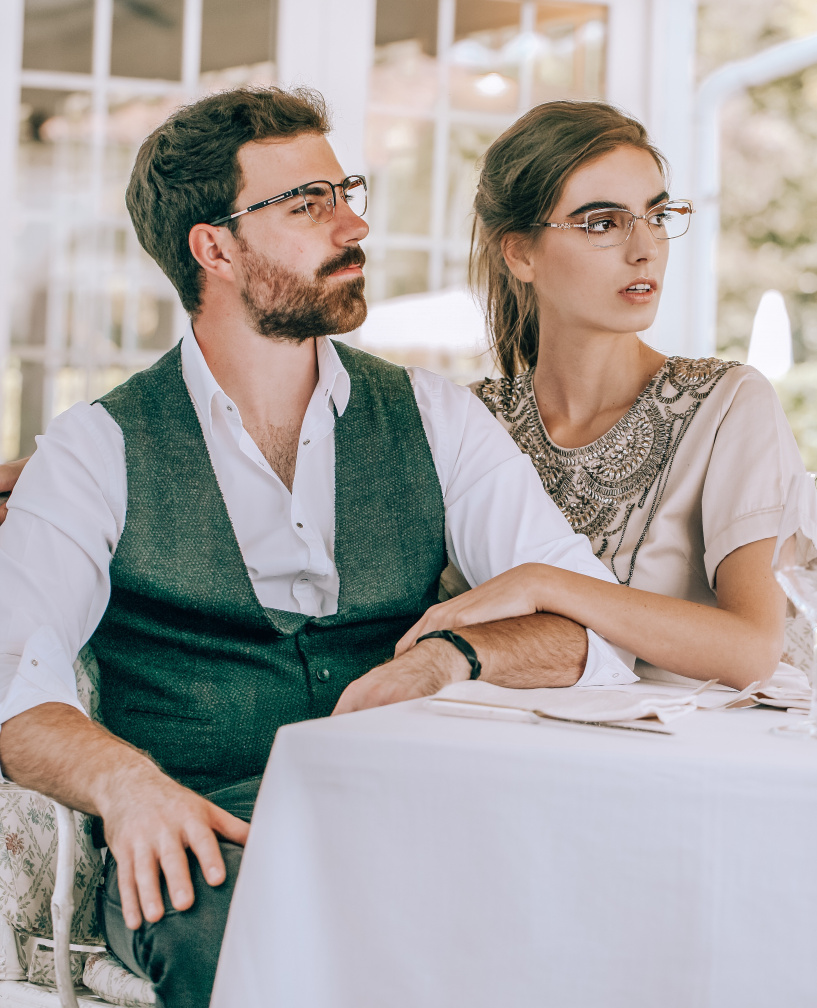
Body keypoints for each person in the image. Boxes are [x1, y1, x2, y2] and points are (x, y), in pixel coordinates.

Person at [0, 88, 634, 1008]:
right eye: (307, 205)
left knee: (577, 912)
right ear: (214, 249)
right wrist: (128, 787)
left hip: (417, 812)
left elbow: (590, 628)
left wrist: (451, 659)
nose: (354, 224)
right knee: (262, 943)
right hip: (205, 840)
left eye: (345, 193)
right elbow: (17, 693)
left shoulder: (436, 418)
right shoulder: (92, 450)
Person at [399, 100, 815, 690]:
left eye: (657, 215)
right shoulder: (468, 421)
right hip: (486, 732)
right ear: (520, 253)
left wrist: (544, 583)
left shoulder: (728, 404)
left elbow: (752, 649)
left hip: (680, 743)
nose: (645, 248)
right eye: (602, 223)